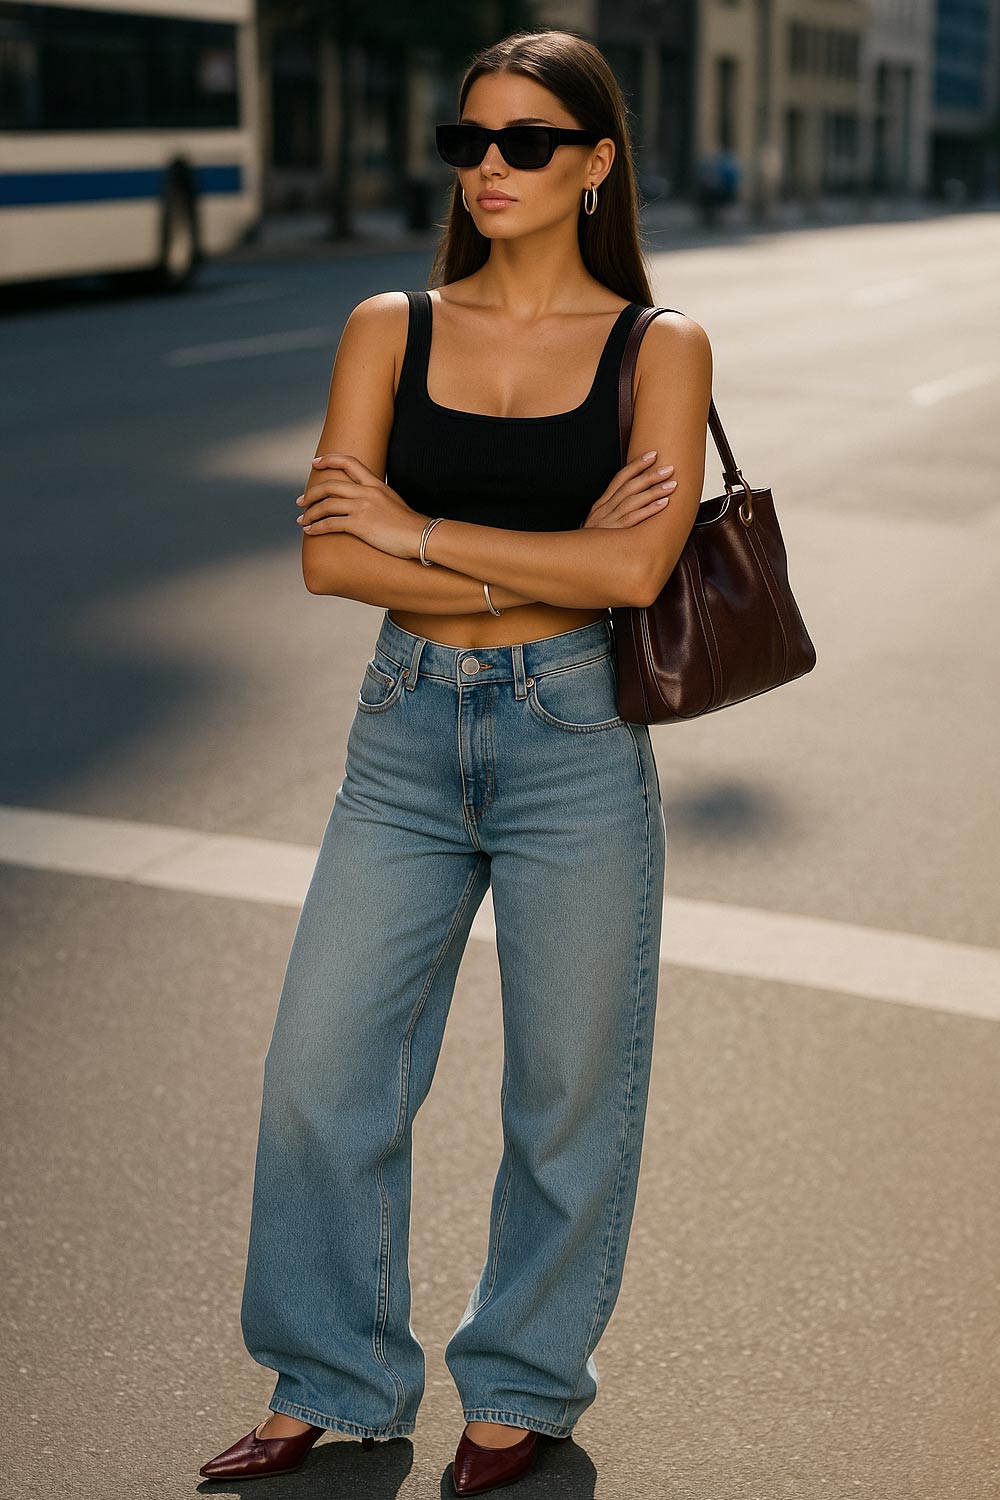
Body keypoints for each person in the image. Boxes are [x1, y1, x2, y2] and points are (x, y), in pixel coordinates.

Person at [199, 25, 712, 1496]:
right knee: (320, 1073)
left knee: (566, 1091)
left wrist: (415, 538)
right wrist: (532, 565)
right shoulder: (389, 324)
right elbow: (321, 561)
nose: (489, 165)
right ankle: (333, 1373)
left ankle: (524, 1384)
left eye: (526, 143)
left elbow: (629, 576)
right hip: (405, 733)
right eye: (468, 141)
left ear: (596, 163)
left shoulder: (656, 346)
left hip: (576, 740)